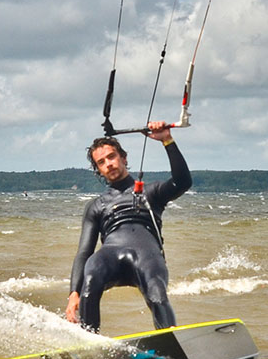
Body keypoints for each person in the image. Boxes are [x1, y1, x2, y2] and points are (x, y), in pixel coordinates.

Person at [66, 121, 192, 333]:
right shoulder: (96, 206)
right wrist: (73, 293)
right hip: (109, 257)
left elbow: (183, 181)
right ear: (99, 170)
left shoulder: (151, 192)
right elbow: (83, 252)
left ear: (123, 158)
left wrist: (166, 140)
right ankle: (88, 340)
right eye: (101, 162)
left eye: (112, 157)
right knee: (92, 272)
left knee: (156, 290)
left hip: (146, 256)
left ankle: (170, 338)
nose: (109, 164)